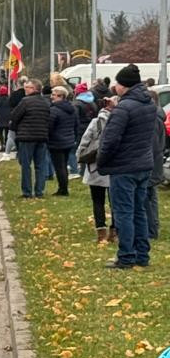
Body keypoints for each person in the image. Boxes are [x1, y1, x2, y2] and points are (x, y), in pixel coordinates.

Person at [97, 64, 158, 269]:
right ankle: (142, 254)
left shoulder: (124, 108)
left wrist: (102, 161)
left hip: (124, 167)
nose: (115, 87)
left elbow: (110, 140)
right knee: (139, 211)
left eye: (118, 83)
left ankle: (126, 256)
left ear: (124, 86)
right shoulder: (148, 103)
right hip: (143, 164)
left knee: (123, 212)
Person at [78, 94, 115, 245]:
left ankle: (101, 232)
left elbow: (85, 140)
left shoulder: (96, 122)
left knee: (97, 200)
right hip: (114, 165)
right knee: (116, 201)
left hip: (96, 165)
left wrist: (80, 156)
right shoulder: (119, 122)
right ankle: (115, 231)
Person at [10, 77, 51, 198]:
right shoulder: (46, 102)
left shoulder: (25, 101)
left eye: (27, 87)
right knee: (40, 165)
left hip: (26, 137)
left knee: (26, 165)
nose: (25, 89)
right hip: (42, 136)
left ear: (34, 88)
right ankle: (39, 191)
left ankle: (27, 191)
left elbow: (15, 116)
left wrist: (15, 127)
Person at [43, 85, 79, 198]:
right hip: (68, 140)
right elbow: (76, 125)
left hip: (57, 142)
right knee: (64, 165)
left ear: (61, 96)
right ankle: (64, 187)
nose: (51, 97)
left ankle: (62, 189)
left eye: (54, 95)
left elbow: (49, 126)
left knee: (60, 167)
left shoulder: (54, 110)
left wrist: (47, 137)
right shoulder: (72, 109)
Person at [0, 84, 13, 157]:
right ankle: (6, 145)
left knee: (0, 133)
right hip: (8, 118)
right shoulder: (9, 99)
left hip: (0, 118)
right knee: (7, 133)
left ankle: (2, 145)